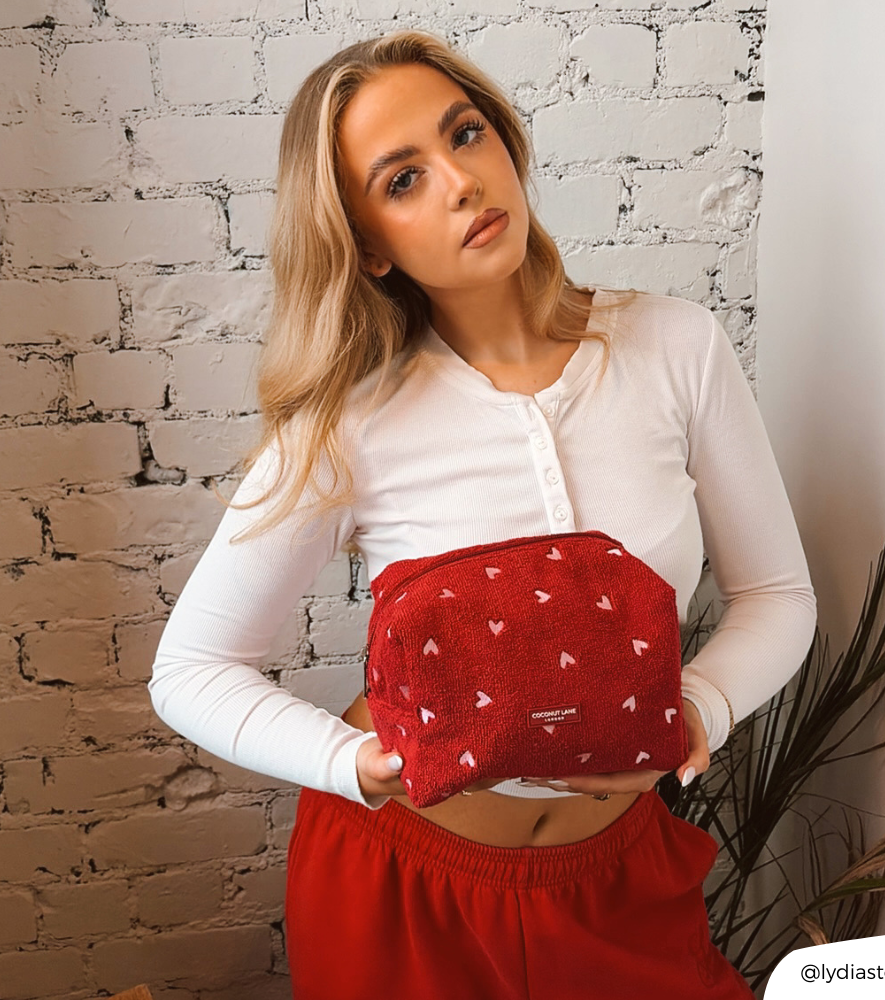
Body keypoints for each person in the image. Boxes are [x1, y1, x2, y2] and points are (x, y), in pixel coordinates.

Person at [148, 29, 816, 1000]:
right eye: (403, 179)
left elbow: (778, 595)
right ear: (366, 245)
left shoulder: (676, 348)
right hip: (401, 887)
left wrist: (696, 710)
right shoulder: (350, 418)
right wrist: (350, 762)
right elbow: (191, 669)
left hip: (619, 878)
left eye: (464, 134)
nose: (460, 181)